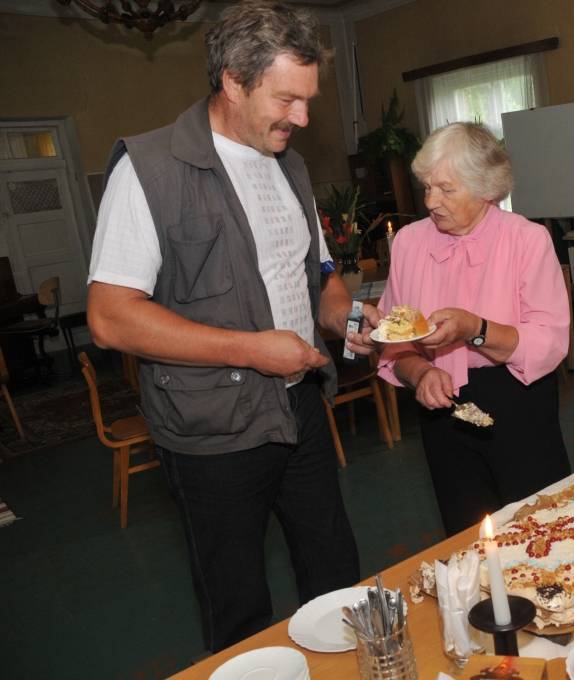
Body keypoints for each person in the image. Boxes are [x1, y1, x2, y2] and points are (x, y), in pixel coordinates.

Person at [86, 1, 366, 652]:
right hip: (212, 429)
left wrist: (347, 316)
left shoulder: (289, 164)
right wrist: (252, 350)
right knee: (239, 608)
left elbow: (319, 273)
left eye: (308, 100)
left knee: (336, 577)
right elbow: (109, 316)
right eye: (287, 99)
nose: (302, 118)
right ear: (234, 82)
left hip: (300, 406)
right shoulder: (150, 170)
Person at [351, 122, 571, 536]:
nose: (430, 201)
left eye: (446, 189)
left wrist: (475, 329)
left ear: (486, 188)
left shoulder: (527, 240)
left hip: (517, 402)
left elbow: (549, 341)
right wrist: (421, 373)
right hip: (441, 407)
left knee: (542, 530)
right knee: (466, 534)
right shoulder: (409, 243)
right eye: (427, 187)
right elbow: (394, 343)